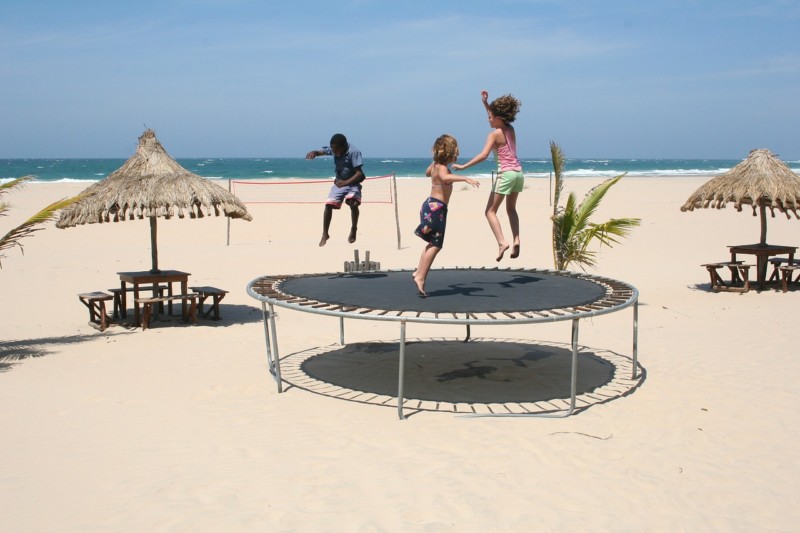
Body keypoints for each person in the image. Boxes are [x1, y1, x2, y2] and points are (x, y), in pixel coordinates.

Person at [452, 90, 523, 261]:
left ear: (498, 117)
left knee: (490, 211)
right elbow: (495, 115)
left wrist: (463, 166)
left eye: (490, 117)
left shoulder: (493, 135)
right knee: (511, 209)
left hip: (505, 174)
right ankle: (516, 239)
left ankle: (502, 242)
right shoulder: (510, 129)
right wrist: (486, 103)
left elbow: (483, 155)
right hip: (518, 173)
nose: (487, 119)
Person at [413, 134, 480, 297]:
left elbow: (427, 173)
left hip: (429, 206)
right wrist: (464, 178)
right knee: (436, 244)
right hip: (437, 209)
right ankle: (421, 276)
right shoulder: (442, 168)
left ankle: (418, 272)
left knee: (431, 242)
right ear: (450, 154)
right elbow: (444, 177)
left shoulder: (436, 165)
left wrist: (434, 161)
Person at [306, 133, 365, 246]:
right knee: (328, 205)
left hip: (353, 182)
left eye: (337, 150)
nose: (335, 152)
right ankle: (325, 233)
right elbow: (322, 152)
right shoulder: (334, 149)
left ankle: (353, 229)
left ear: (344, 146)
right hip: (339, 182)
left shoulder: (354, 152)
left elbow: (359, 173)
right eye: (333, 150)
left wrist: (346, 183)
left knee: (353, 203)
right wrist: (314, 152)